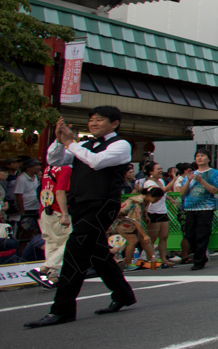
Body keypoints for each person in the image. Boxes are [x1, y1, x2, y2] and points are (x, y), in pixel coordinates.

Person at [25, 107, 138, 328]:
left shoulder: (121, 145)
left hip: (102, 205)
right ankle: (123, 295)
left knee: (75, 252)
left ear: (114, 123)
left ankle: (62, 309)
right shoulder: (83, 145)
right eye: (91, 120)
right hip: (81, 204)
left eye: (99, 120)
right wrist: (60, 141)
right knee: (97, 254)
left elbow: (96, 162)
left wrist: (71, 143)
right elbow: (55, 160)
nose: (93, 124)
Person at [26, 162, 73, 289]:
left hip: (45, 210)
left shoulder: (49, 168)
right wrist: (65, 213)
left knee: (52, 243)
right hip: (58, 210)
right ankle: (45, 268)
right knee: (71, 241)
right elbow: (60, 191)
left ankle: (52, 277)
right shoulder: (65, 168)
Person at [179, 149, 218, 271]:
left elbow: (215, 190)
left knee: (202, 234)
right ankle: (201, 256)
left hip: (206, 207)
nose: (200, 158)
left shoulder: (215, 173)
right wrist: (188, 180)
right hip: (190, 207)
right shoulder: (191, 174)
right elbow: (182, 192)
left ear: (208, 159)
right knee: (190, 235)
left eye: (203, 156)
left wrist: (201, 181)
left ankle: (198, 261)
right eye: (197, 156)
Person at [142, 161, 176, 267]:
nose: (161, 171)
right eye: (158, 169)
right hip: (152, 211)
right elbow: (159, 192)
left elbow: (164, 193)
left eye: (161, 168)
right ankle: (151, 260)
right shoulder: (148, 183)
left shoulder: (161, 180)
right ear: (151, 172)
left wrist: (170, 199)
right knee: (152, 237)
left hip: (163, 211)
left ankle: (163, 259)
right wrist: (174, 180)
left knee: (164, 236)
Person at [13, 158, 43, 240]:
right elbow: (18, 195)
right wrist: (21, 209)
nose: (38, 167)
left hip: (35, 207)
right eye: (35, 165)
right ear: (28, 168)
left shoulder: (35, 178)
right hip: (27, 209)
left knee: (32, 231)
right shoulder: (21, 179)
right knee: (24, 231)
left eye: (38, 165)